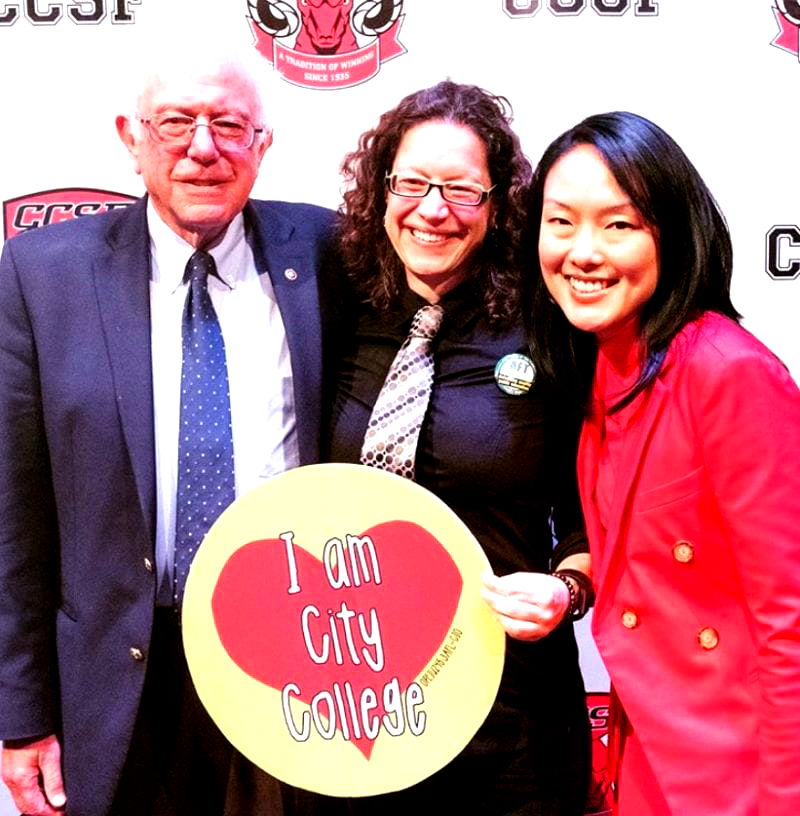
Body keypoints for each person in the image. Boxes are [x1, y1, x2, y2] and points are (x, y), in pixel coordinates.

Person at [0, 50, 336, 816]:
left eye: (229, 126)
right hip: (119, 685)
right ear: (131, 137)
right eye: (177, 123)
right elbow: (14, 518)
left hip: (292, 662)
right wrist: (21, 716)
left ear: (263, 144)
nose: (203, 148)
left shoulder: (326, 254)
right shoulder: (42, 275)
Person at [316, 80, 592, 815]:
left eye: (462, 191)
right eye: (411, 183)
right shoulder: (337, 309)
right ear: (381, 191)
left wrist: (568, 590)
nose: (432, 209)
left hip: (513, 711)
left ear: (499, 205)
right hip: (358, 702)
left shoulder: (553, 324)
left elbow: (596, 514)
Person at [527, 110, 800, 815]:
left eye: (618, 225)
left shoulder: (727, 371)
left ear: (672, 234)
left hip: (739, 777)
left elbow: (790, 619)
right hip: (648, 762)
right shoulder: (599, 366)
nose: (583, 252)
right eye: (560, 223)